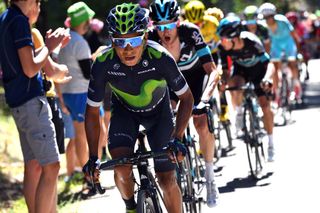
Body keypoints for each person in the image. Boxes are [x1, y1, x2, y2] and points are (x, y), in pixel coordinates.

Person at [83, 3, 194, 213]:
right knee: (121, 168)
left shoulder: (160, 57)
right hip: (125, 114)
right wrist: (93, 157)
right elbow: (91, 112)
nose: (127, 49)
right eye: (120, 41)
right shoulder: (103, 63)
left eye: (134, 40)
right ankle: (131, 207)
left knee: (167, 179)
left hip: (159, 114)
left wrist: (177, 138)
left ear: (144, 38)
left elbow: (187, 99)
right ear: (112, 41)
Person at [149, 0, 220, 207]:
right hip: (171, 86)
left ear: (177, 23)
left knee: (200, 122)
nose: (164, 32)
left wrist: (205, 100)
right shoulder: (151, 38)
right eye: (159, 27)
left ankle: (209, 177)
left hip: (196, 82)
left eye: (169, 25)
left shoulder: (191, 33)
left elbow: (213, 71)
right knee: (168, 122)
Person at [0, 0, 70, 212]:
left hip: (19, 103)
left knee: (35, 165)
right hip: (31, 103)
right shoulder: (19, 21)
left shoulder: (6, 17)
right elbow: (30, 69)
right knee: (52, 167)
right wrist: (49, 47)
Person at [57, 2, 103, 194]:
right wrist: (97, 58)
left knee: (79, 137)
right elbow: (87, 73)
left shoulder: (65, 39)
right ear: (83, 21)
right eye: (88, 20)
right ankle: (91, 179)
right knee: (89, 136)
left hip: (69, 93)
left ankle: (88, 178)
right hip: (81, 94)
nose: (90, 23)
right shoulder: (80, 42)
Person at [217, 16, 275, 162]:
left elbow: (270, 64)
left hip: (259, 72)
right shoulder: (222, 48)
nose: (221, 42)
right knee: (234, 86)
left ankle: (271, 143)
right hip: (241, 71)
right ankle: (239, 113)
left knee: (265, 106)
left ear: (234, 38)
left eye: (224, 38)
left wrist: (267, 79)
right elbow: (225, 71)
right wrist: (223, 81)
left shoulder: (252, 42)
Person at [258, 2, 302, 104]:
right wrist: (267, 55)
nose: (267, 19)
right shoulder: (263, 26)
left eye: (269, 17)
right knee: (274, 66)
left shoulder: (282, 20)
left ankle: (296, 85)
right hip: (276, 45)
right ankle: (277, 92)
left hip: (288, 43)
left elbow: (294, 34)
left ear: (273, 15)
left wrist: (298, 48)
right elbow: (267, 42)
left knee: (292, 63)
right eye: (265, 17)